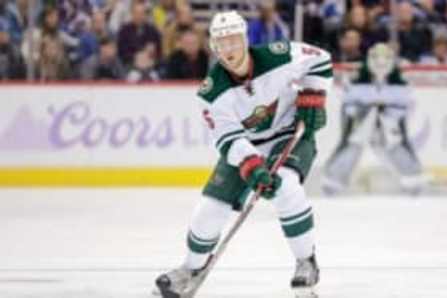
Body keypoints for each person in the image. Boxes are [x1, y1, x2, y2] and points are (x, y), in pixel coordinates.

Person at [154, 10, 333, 298]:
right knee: (208, 211)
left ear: (246, 40)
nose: (229, 48)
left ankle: (306, 262)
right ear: (213, 47)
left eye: (234, 40)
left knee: (286, 187)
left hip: (290, 134)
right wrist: (252, 166)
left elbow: (321, 59)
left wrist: (314, 96)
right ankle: (190, 268)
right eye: (222, 42)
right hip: (247, 146)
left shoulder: (278, 55)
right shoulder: (211, 93)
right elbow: (228, 139)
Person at [322, 43, 426, 195]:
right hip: (361, 117)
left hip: (390, 117)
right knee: (353, 142)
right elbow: (347, 102)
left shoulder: (400, 84)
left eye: (385, 61)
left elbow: (405, 104)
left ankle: (413, 179)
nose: (381, 66)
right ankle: (333, 180)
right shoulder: (356, 80)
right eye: (377, 61)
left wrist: (387, 109)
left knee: (396, 142)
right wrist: (363, 110)